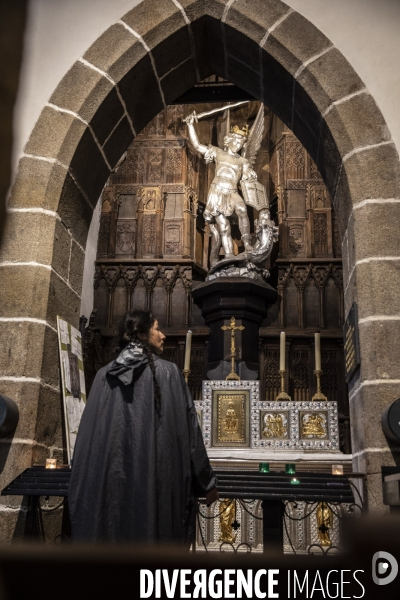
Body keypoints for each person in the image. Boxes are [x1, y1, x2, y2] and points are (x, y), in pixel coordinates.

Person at [68, 309, 218, 544]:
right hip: (156, 488)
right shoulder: (169, 374)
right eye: (157, 328)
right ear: (141, 333)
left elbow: (86, 440)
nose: (163, 335)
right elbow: (190, 436)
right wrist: (207, 483)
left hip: (108, 489)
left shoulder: (103, 375)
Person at [185, 113, 257, 261]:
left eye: (241, 142)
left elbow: (246, 174)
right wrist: (190, 125)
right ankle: (229, 255)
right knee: (224, 226)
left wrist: (250, 173)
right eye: (236, 140)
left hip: (232, 191)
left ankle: (247, 243)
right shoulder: (218, 153)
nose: (238, 144)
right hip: (217, 191)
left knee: (243, 209)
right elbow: (197, 146)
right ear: (229, 140)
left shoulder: (243, 161)